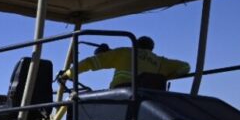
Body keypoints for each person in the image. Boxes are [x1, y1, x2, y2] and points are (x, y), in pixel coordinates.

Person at [60, 36, 190, 89]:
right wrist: (165, 77)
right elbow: (186, 67)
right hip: (148, 97)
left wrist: (68, 74)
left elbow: (90, 62)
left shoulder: (125, 52)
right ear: (151, 49)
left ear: (135, 45)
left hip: (121, 94)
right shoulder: (160, 61)